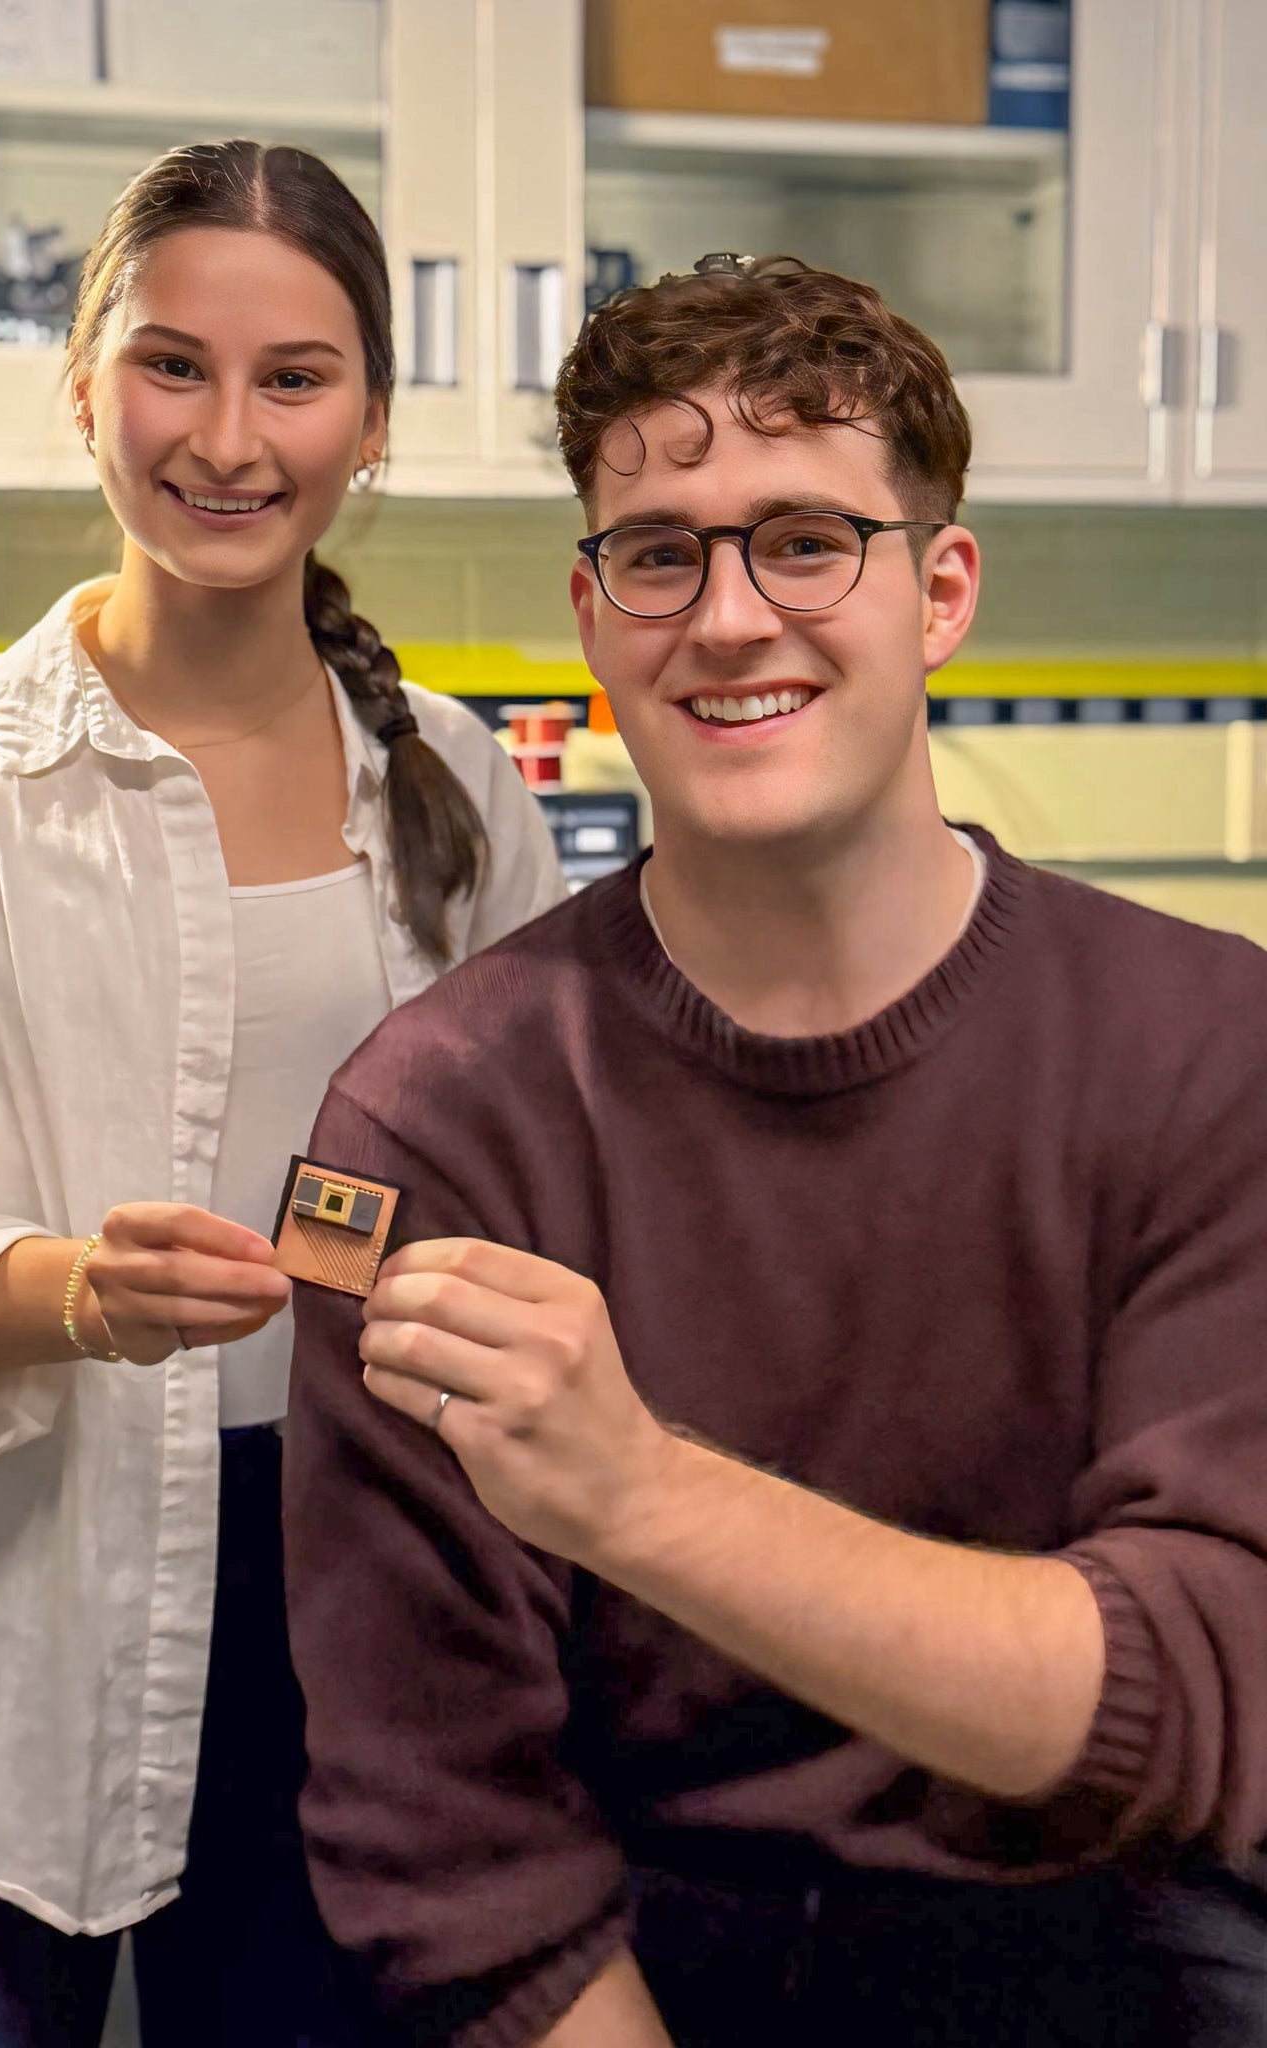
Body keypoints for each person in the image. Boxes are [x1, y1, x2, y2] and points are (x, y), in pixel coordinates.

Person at [281, 254, 1267, 2048]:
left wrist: (636, 1491)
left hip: (1127, 1954)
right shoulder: (427, 1128)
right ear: (593, 615)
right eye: (662, 551)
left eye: (806, 539)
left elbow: (1200, 1688)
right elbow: (443, 1836)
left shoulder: (1213, 1055)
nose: (729, 619)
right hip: (652, 1983)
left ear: (942, 587)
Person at [0, 139, 563, 2048]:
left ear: (371, 419)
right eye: (172, 366)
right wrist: (74, 1296)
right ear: (87, 383)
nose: (228, 434)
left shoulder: (463, 786)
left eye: (295, 377)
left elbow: (547, 1203)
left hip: (351, 1653)